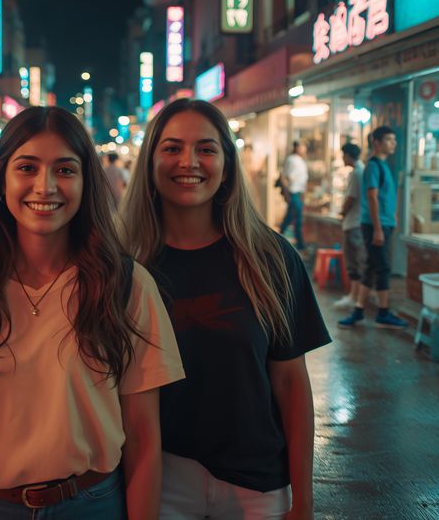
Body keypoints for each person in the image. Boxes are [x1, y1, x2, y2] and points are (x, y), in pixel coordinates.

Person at [0, 106, 185, 519]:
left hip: (90, 504)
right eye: (27, 167)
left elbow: (144, 437)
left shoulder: (125, 284)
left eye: (65, 170)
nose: (45, 186)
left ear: (85, 182)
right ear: (2, 180)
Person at [119, 99, 330, 520]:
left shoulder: (269, 257)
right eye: (172, 148)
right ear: (150, 161)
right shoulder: (123, 263)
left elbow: (290, 384)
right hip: (158, 480)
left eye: (207, 149)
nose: (189, 162)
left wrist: (304, 502)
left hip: (256, 484)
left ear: (227, 164)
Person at [339, 126, 407, 329]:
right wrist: (378, 228)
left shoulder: (384, 165)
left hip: (384, 223)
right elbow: (372, 196)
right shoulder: (373, 166)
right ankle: (383, 313)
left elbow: (384, 197)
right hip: (375, 226)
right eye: (388, 139)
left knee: (369, 267)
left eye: (394, 139)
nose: (393, 143)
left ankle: (359, 311)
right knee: (383, 267)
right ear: (376, 142)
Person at [333, 143, 367, 311]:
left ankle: (354, 297)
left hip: (354, 223)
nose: (342, 158)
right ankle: (354, 296)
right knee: (356, 261)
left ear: (348, 155)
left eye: (343, 155)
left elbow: (351, 198)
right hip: (356, 222)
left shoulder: (357, 173)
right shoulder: (361, 171)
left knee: (354, 261)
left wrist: (342, 213)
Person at [279, 141, 308, 250]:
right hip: (293, 193)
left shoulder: (301, 161)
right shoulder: (291, 160)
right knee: (296, 218)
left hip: (298, 193)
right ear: (297, 147)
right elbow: (284, 177)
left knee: (292, 217)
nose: (304, 149)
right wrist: (286, 193)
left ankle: (280, 237)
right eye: (302, 146)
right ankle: (300, 244)